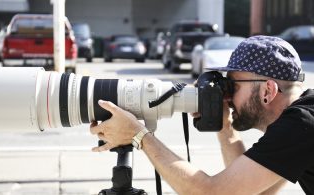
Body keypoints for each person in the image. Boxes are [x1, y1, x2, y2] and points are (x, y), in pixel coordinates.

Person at [89, 35, 314, 194]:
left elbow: (211, 193)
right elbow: (252, 192)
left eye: (232, 86)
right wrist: (224, 124)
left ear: (268, 90)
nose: (226, 96)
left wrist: (139, 136)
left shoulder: (300, 125)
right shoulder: (300, 122)